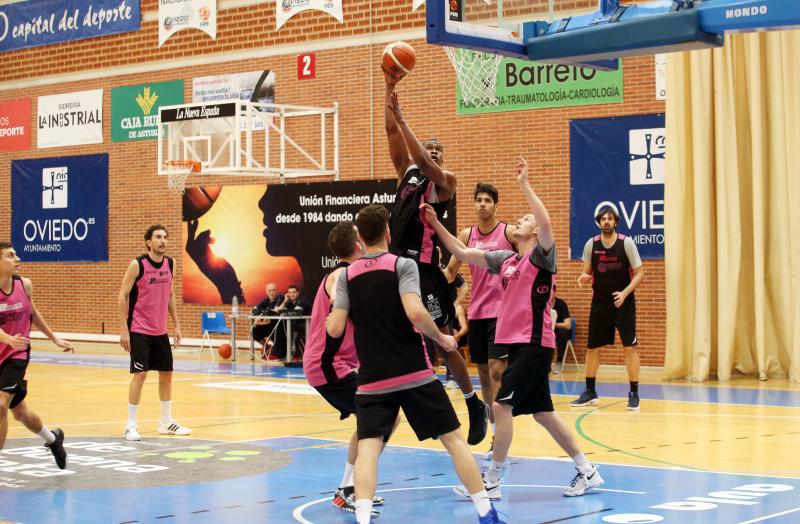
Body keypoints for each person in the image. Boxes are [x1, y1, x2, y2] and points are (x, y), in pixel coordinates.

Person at [426, 156, 604, 500]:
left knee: (502, 406)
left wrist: (524, 183)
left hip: (536, 345)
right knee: (543, 414)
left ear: (535, 231)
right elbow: (461, 251)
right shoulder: (505, 260)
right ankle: (588, 470)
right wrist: (435, 223)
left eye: (526, 219)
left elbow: (546, 219)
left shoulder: (542, 257)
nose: (522, 221)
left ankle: (492, 478)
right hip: (517, 345)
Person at [326, 204, 504, 524]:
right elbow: (415, 313)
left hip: (371, 379)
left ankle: (363, 519)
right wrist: (443, 338)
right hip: (413, 372)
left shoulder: (347, 276)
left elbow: (335, 329)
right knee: (453, 440)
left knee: (368, 448)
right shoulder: (402, 265)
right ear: (388, 233)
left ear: (361, 239)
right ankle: (486, 513)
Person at [384, 70, 488, 446]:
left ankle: (472, 401)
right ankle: (395, 398)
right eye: (431, 147)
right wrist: (388, 89)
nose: (434, 153)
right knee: (395, 336)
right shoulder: (406, 175)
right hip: (396, 267)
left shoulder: (446, 181)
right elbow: (393, 135)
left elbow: (422, 160)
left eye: (438, 150)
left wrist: (406, 119)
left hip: (426, 272)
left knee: (445, 340)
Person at [303, 221, 391, 517]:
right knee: (379, 418)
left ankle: (350, 487)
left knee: (379, 418)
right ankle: (349, 488)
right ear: (357, 245)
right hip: (328, 365)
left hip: (339, 364)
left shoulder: (346, 273)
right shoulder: (342, 275)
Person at [444, 182, 517, 457]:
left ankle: (500, 441)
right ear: (474, 205)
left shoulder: (508, 233)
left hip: (503, 313)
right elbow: (451, 271)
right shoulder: (466, 234)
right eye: (479, 200)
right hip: (477, 313)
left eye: (488, 200)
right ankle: (495, 430)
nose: (483, 204)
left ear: (495, 205)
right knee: (485, 375)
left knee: (498, 371)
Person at [0, 242, 72, 469]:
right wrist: (6, 338)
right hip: (4, 347)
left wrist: (53, 337)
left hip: (17, 354)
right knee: (19, 412)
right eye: (11, 256)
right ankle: (53, 439)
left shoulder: (25, 285)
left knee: (1, 405)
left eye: (16, 254)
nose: (17, 258)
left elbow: (32, 313)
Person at [119, 225, 191, 441]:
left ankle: (166, 422)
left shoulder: (171, 264)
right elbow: (122, 295)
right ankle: (130, 425)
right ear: (148, 242)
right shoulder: (137, 265)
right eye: (158, 237)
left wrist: (177, 324)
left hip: (160, 330)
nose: (163, 241)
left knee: (167, 374)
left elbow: (169, 295)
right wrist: (124, 328)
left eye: (165, 237)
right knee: (140, 375)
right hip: (139, 328)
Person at [572, 205, 645, 410]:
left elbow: (640, 273)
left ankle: (634, 392)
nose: (606, 221)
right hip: (600, 302)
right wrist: (583, 279)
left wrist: (624, 293)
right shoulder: (591, 245)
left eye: (610, 218)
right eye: (603, 218)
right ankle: (590, 392)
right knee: (592, 348)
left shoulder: (626, 243)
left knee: (629, 347)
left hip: (624, 302)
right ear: (599, 222)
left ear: (616, 222)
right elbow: (586, 273)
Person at [275, 285, 312, 360]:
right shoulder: (289, 302)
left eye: (294, 292)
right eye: (290, 292)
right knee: (281, 327)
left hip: (308, 325)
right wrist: (285, 301)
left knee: (291, 326)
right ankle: (282, 353)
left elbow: (295, 312)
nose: (292, 294)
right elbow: (278, 311)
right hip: (296, 325)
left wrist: (285, 310)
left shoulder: (302, 300)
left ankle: (292, 352)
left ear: (298, 293)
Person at [251, 283, 283, 358]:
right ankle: (267, 346)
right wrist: (259, 320)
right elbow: (254, 309)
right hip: (268, 325)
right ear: (267, 292)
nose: (271, 292)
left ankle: (275, 351)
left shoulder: (280, 298)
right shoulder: (266, 300)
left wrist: (263, 312)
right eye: (269, 291)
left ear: (276, 291)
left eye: (273, 290)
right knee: (254, 331)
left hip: (278, 326)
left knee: (275, 331)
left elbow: (275, 311)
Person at [551, 288, 572, 374]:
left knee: (562, 332)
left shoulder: (561, 304)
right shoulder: (542, 303)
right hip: (548, 331)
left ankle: (559, 361)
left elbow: (568, 325)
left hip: (559, 331)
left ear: (555, 292)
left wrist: (553, 324)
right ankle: (544, 363)